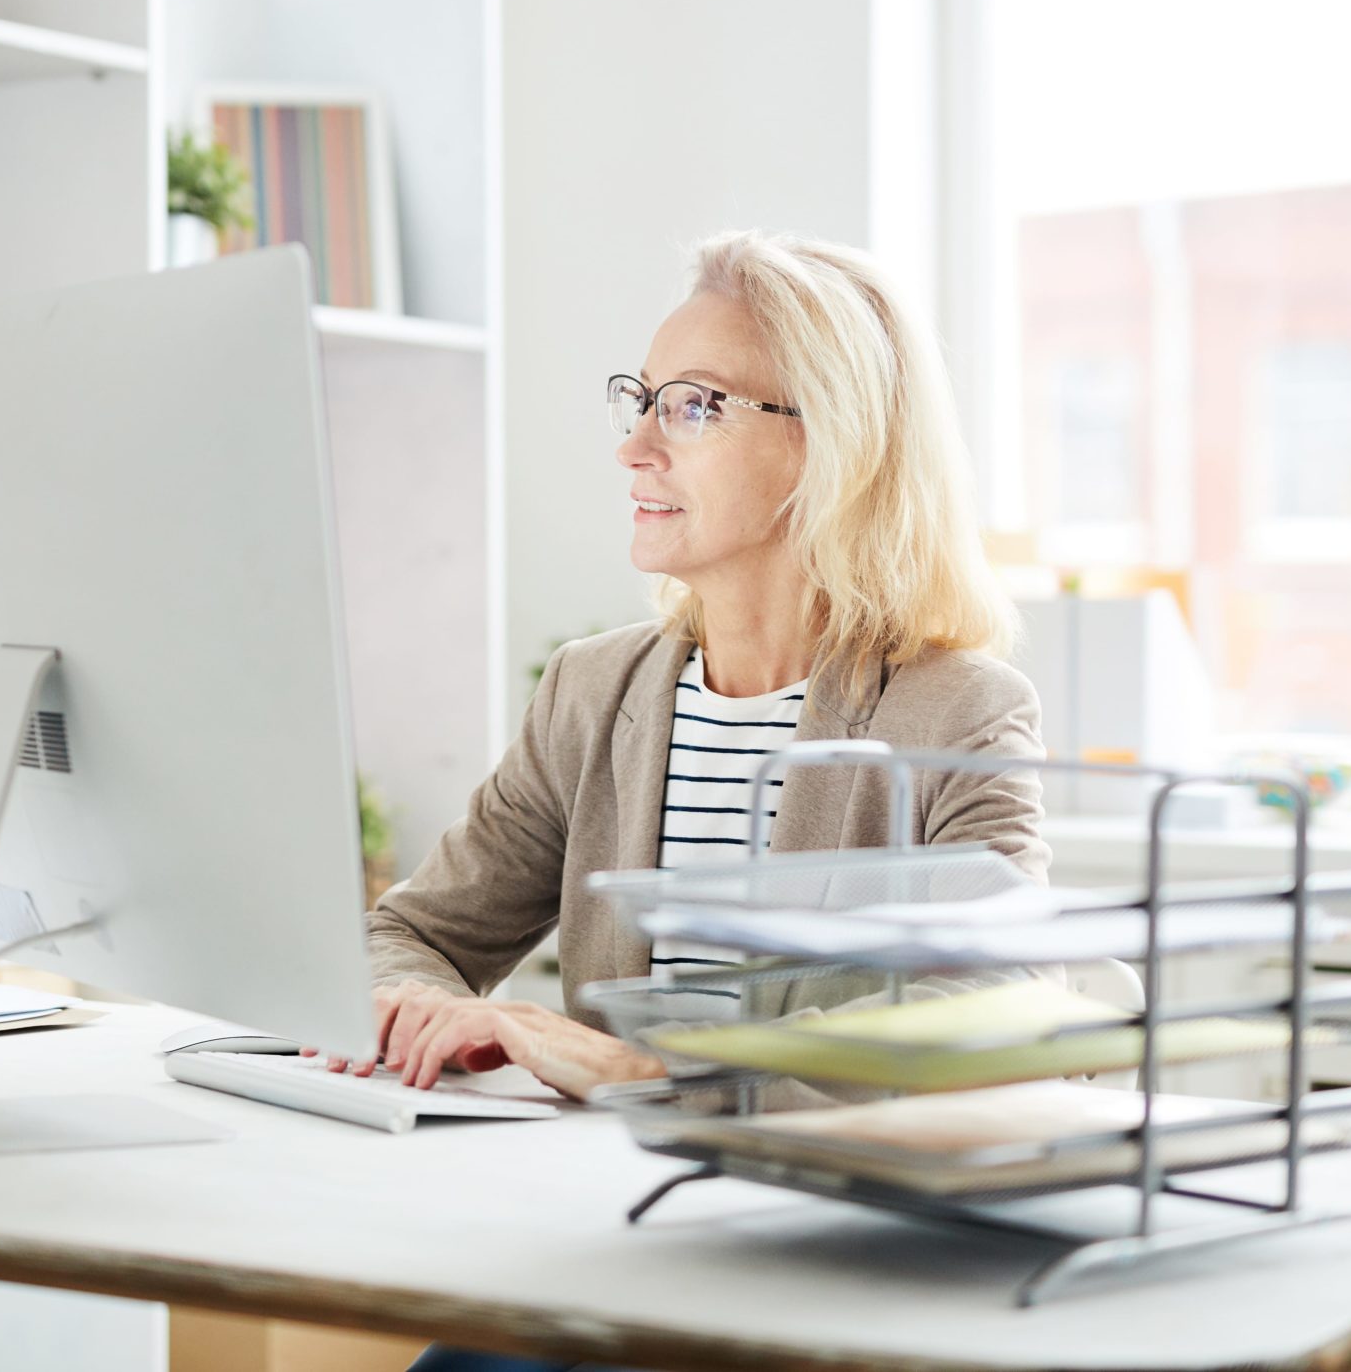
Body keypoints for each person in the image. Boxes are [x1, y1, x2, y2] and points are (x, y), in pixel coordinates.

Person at [341, 230, 1048, 1144]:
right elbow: (410, 935)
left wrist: (644, 1071)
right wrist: (424, 1011)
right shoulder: (591, 692)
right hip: (596, 1199)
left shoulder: (961, 713)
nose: (634, 446)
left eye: (693, 407)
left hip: (816, 1223)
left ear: (833, 443)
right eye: (639, 401)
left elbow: (995, 1004)